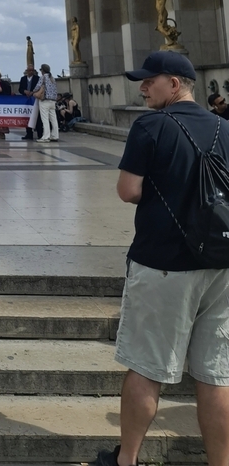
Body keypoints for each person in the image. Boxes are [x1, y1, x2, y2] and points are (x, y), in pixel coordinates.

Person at [94, 51, 229, 466]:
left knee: (147, 367)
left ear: (175, 84)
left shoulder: (151, 125)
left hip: (164, 262)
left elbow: (128, 190)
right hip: (222, 265)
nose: (142, 87)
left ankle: (127, 459)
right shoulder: (226, 127)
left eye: (149, 80)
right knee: (216, 374)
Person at [34, 63, 59, 143]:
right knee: (53, 119)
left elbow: (37, 87)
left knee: (45, 119)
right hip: (53, 101)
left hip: (45, 100)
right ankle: (55, 135)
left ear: (43, 70)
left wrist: (34, 92)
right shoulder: (52, 78)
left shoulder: (43, 78)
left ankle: (46, 136)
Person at [19, 67, 41, 140]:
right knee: (27, 116)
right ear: (27, 71)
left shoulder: (37, 78)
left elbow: (39, 88)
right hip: (26, 100)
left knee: (37, 117)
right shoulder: (23, 79)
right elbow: (20, 89)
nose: (31, 72)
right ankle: (29, 134)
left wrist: (33, 92)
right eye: (29, 70)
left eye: (32, 70)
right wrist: (25, 91)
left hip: (35, 100)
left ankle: (40, 134)